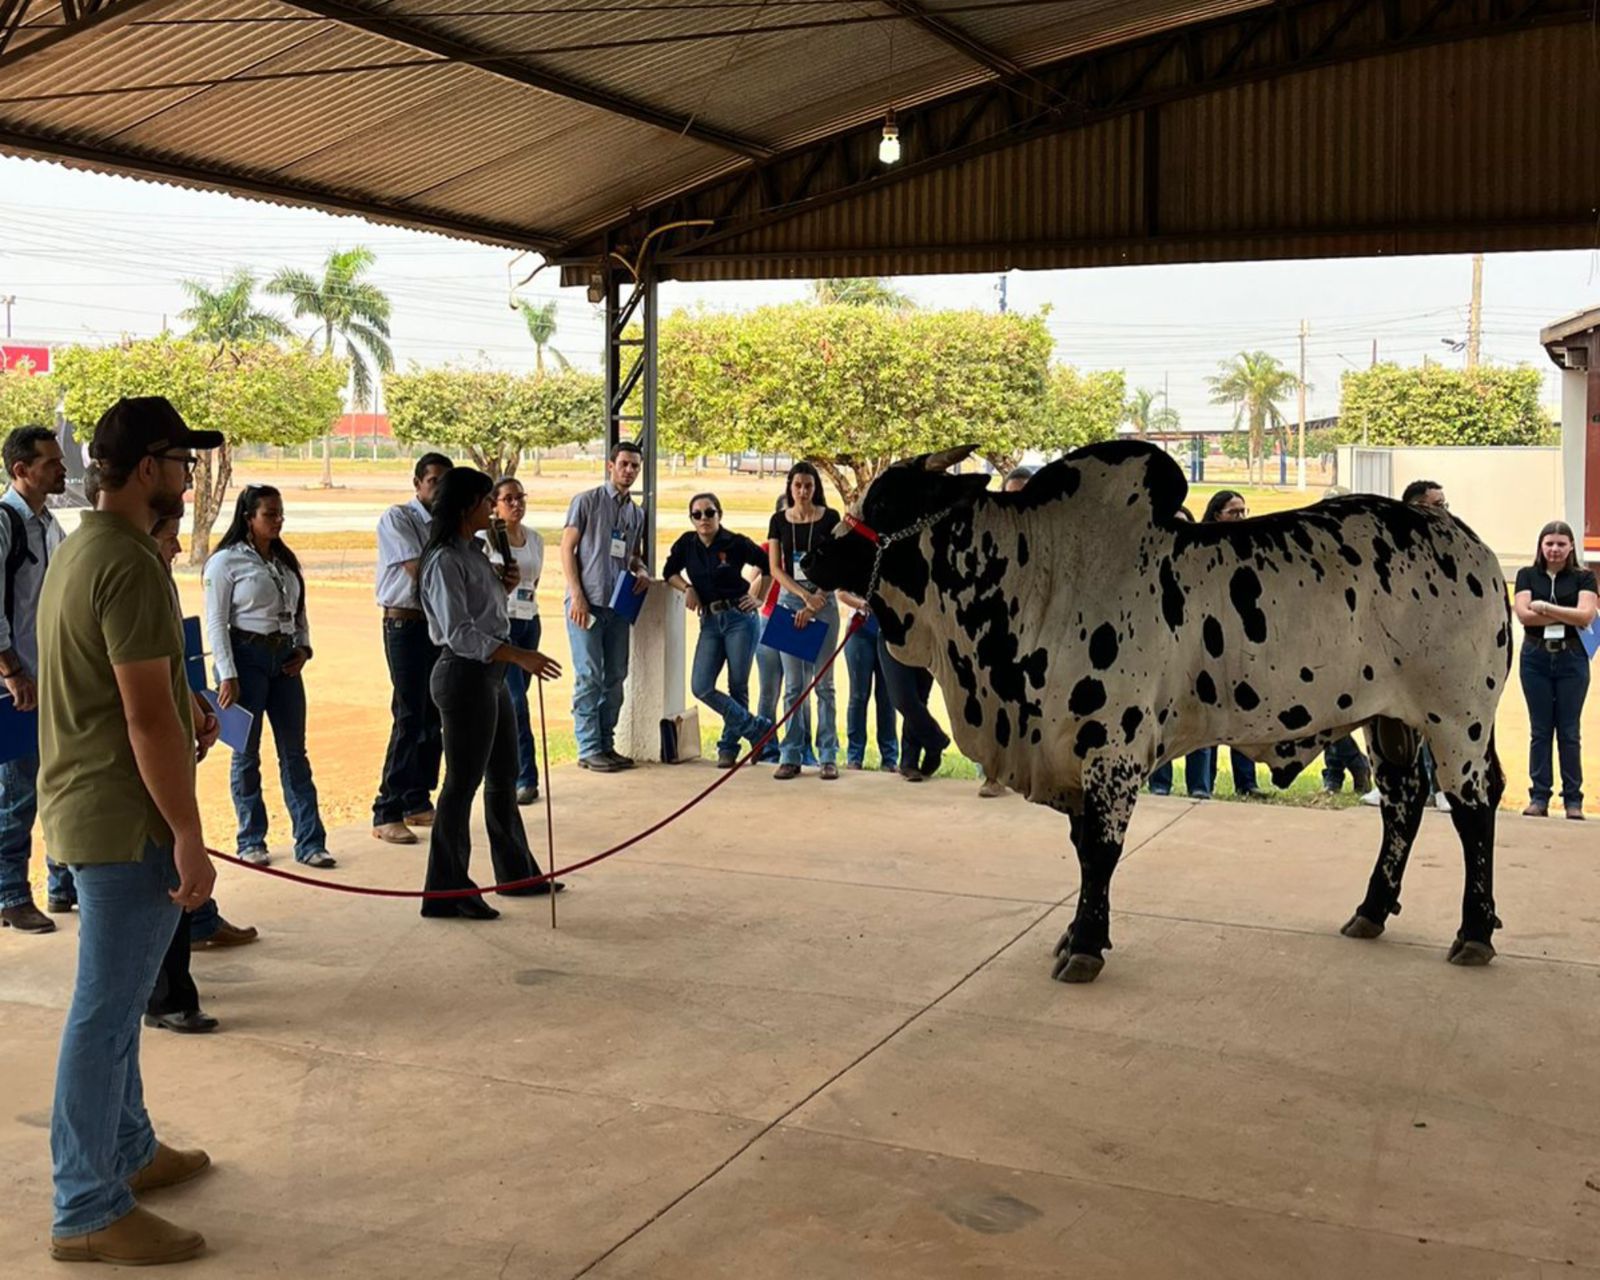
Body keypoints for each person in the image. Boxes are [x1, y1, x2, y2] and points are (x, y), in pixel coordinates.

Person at [39, 396, 221, 1266]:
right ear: (149, 469)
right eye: (182, 463)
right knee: (106, 1016)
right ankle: (85, 1205)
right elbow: (147, 721)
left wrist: (183, 702)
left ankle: (129, 1151)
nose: (189, 478)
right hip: (124, 816)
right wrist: (188, 833)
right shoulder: (135, 564)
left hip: (92, 804)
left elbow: (134, 689)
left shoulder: (84, 549)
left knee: (113, 1004)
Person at [419, 468, 563, 919]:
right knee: (461, 784)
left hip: (490, 674)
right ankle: (446, 889)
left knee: (504, 773)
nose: (492, 509)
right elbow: (458, 632)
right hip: (464, 676)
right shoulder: (444, 559)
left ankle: (516, 872)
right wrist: (519, 656)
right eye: (486, 501)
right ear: (465, 507)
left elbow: (479, 612)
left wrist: (499, 589)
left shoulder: (476, 551)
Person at [203, 485, 332, 869]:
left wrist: (304, 648)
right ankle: (251, 838)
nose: (277, 521)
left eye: (280, 514)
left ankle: (310, 841)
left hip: (285, 658)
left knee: (295, 752)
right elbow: (216, 622)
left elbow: (299, 609)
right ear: (248, 517)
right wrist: (227, 674)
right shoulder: (225, 562)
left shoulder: (283, 560)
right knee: (246, 751)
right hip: (246, 659)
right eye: (269, 514)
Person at [145, 510, 220, 1036]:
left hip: (177, 735)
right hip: (151, 756)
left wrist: (198, 711)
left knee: (172, 874)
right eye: (169, 538)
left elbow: (173, 669)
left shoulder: (159, 583)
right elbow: (144, 702)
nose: (177, 548)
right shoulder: (134, 584)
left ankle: (172, 988)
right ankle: (166, 995)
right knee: (169, 870)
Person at [0, 424, 66, 934]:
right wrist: (13, 672)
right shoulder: (6, 523)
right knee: (19, 790)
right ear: (22, 470)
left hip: (48, 680)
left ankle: (62, 884)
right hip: (16, 683)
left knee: (57, 781)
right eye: (51, 462)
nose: (62, 469)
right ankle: (10, 894)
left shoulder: (49, 524)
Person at [371, 452, 452, 845]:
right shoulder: (398, 518)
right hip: (404, 622)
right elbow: (421, 570)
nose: (438, 488)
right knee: (408, 714)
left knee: (432, 714)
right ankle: (386, 809)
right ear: (418, 483)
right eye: (433, 480)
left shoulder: (447, 525)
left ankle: (417, 799)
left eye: (444, 481)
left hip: (435, 625)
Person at [663, 492, 775, 767]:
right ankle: (758, 729)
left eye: (709, 513)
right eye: (697, 514)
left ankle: (728, 747)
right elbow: (669, 572)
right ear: (691, 518)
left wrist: (759, 597)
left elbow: (768, 565)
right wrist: (687, 588)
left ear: (719, 514)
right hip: (710, 622)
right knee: (701, 686)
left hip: (740, 617)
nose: (704, 519)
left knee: (738, 684)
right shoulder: (686, 545)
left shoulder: (735, 542)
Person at [1361, 481, 1450, 811]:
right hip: (1392, 653)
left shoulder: (1449, 548)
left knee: (1436, 723)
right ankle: (1387, 785)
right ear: (1417, 507)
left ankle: (1441, 788)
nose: (1445, 512)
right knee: (1387, 725)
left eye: (1445, 504)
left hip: (1434, 650)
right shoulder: (1390, 547)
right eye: (1438, 505)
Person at [561, 441, 649, 773]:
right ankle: (588, 747)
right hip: (587, 604)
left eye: (635, 466)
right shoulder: (586, 502)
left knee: (615, 676)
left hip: (617, 606)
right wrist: (577, 594)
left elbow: (633, 556)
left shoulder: (635, 512)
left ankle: (606, 744)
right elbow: (567, 549)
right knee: (589, 676)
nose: (629, 471)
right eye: (624, 464)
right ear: (610, 465)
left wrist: (641, 571)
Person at [1513, 520, 1597, 819]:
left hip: (1572, 659)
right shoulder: (1526, 575)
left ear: (1571, 547)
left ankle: (1573, 800)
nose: (1555, 549)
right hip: (1535, 658)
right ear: (1541, 545)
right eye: (1549, 543)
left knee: (1570, 731)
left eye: (1561, 544)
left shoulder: (1584, 578)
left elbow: (1587, 615)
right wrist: (1567, 615)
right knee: (1540, 730)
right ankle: (1539, 797)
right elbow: (1524, 615)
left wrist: (1545, 608)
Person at [766, 462, 842, 780]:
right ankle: (791, 754)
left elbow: (839, 564)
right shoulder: (779, 520)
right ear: (790, 487)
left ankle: (827, 756)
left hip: (824, 602)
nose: (803, 491)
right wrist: (802, 597)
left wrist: (816, 600)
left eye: (808, 485)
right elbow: (775, 568)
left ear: (815, 487)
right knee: (794, 686)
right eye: (797, 485)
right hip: (790, 602)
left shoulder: (831, 518)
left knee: (824, 685)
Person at [480, 477, 544, 804]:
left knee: (515, 702)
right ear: (495, 504)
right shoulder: (485, 539)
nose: (516, 504)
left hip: (529, 622)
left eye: (521, 497)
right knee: (517, 702)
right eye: (509, 499)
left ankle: (511, 765)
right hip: (502, 625)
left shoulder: (535, 539)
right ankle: (525, 777)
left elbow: (533, 579)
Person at [976, 465, 1037, 797]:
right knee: (993, 702)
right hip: (997, 629)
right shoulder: (990, 533)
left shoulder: (1046, 531)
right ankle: (993, 774)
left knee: (1032, 705)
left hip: (1038, 629)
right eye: (1012, 495)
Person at [1148, 504, 1214, 800]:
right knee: (1159, 722)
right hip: (1158, 658)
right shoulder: (1146, 568)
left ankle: (1200, 787)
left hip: (1199, 657)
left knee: (1199, 721)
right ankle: (1159, 784)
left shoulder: (1203, 567)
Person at [1199, 490, 1261, 798]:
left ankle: (1247, 783)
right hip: (1206, 647)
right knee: (1207, 718)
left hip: (1241, 644)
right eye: (1233, 512)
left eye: (1243, 512)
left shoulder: (1249, 548)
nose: (1240, 518)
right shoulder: (1201, 548)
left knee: (1242, 715)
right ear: (1216, 515)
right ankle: (1202, 784)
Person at [842, 597, 898, 773]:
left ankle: (890, 758)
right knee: (858, 696)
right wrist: (862, 604)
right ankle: (854, 756)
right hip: (860, 630)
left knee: (887, 697)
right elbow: (841, 593)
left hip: (889, 631)